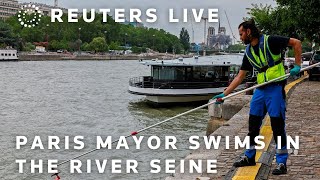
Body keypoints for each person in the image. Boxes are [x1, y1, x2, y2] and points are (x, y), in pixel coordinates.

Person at [212, 19, 301, 175]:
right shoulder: (248, 52)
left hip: (275, 88)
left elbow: (296, 43)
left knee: (277, 126)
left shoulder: (270, 41)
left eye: (241, 34)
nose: (240, 37)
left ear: (248, 32)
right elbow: (240, 76)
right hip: (260, 90)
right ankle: (249, 157)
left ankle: (281, 162)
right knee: (253, 125)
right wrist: (224, 94)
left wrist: (298, 65)